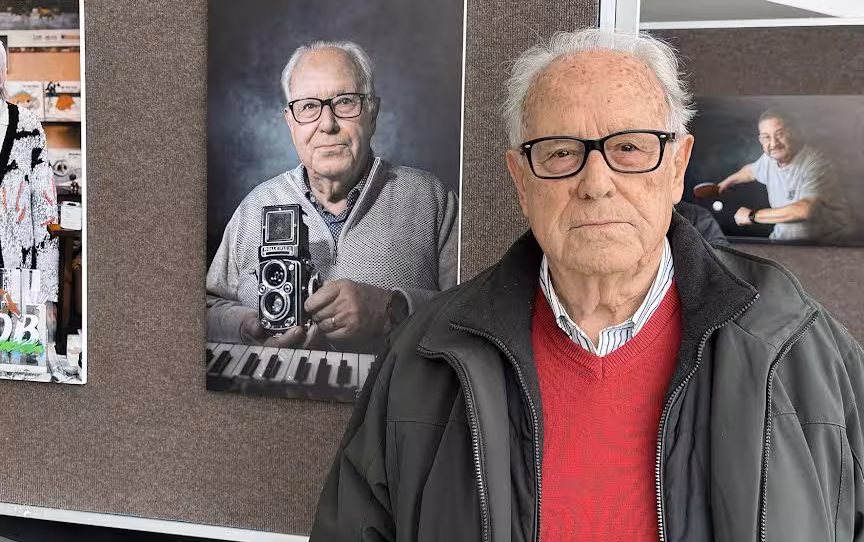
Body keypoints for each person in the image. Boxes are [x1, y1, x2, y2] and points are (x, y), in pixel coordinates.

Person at [310, 29, 864, 541]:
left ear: (677, 167)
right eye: (560, 152)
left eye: (630, 147)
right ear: (521, 180)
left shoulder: (798, 346)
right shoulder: (422, 357)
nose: (596, 183)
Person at [206, 41, 459, 351]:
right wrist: (247, 328)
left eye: (345, 101)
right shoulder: (255, 207)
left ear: (372, 113)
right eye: (308, 107)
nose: (327, 124)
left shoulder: (431, 200)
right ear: (290, 123)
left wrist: (391, 310)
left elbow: (474, 312)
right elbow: (206, 308)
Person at [717, 108, 853, 242]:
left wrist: (752, 216)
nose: (773, 143)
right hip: (783, 242)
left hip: (826, 245)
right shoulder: (769, 159)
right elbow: (750, 171)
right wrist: (725, 183)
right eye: (766, 137)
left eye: (780, 134)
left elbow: (804, 210)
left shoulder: (816, 164)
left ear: (793, 133)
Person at [0, 41, 59, 316]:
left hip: (17, 269)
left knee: (14, 340)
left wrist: (47, 292)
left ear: (4, 73)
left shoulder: (28, 126)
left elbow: (45, 210)